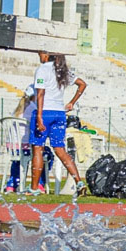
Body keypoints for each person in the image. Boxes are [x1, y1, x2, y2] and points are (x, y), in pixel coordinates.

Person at [29, 52, 87, 194]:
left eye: (41, 53)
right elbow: (82, 84)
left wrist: (40, 116)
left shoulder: (42, 69)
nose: (39, 56)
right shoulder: (63, 70)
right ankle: (79, 182)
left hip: (45, 111)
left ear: (47, 55)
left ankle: (34, 188)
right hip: (59, 113)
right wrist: (72, 103)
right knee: (60, 149)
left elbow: (41, 93)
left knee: (38, 149)